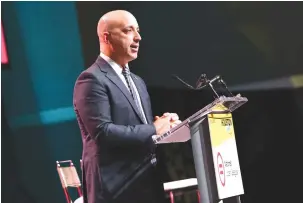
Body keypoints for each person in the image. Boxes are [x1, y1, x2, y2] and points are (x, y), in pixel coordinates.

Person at [73, 10, 181, 203]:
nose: (138, 37)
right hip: (114, 190)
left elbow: (141, 129)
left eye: (137, 30)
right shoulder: (91, 79)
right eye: (128, 30)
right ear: (107, 38)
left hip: (146, 182)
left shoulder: (137, 82)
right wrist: (153, 128)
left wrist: (166, 126)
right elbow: (103, 133)